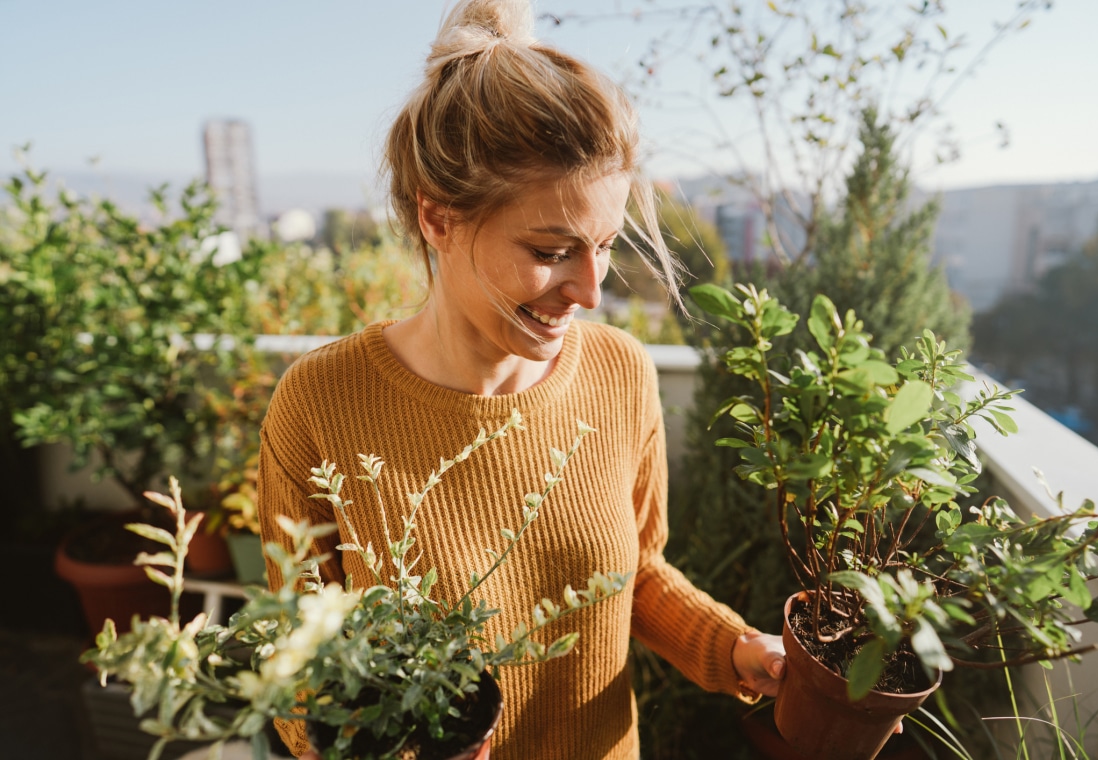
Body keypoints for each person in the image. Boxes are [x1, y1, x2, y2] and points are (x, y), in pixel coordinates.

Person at [257, 1, 786, 758]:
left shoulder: (620, 373)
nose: (590, 291)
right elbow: (295, 672)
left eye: (602, 246)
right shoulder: (320, 404)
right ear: (437, 220)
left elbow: (634, 576)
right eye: (550, 249)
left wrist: (739, 649)